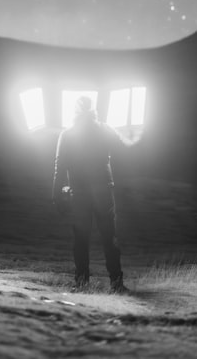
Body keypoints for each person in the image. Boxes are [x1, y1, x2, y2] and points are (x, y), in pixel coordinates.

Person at [52, 95, 139, 293]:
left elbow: (60, 166)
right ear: (93, 110)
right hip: (103, 191)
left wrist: (56, 194)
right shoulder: (105, 130)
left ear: (75, 112)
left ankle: (82, 283)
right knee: (109, 238)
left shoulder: (67, 135)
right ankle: (116, 283)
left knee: (81, 239)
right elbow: (123, 148)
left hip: (80, 192)